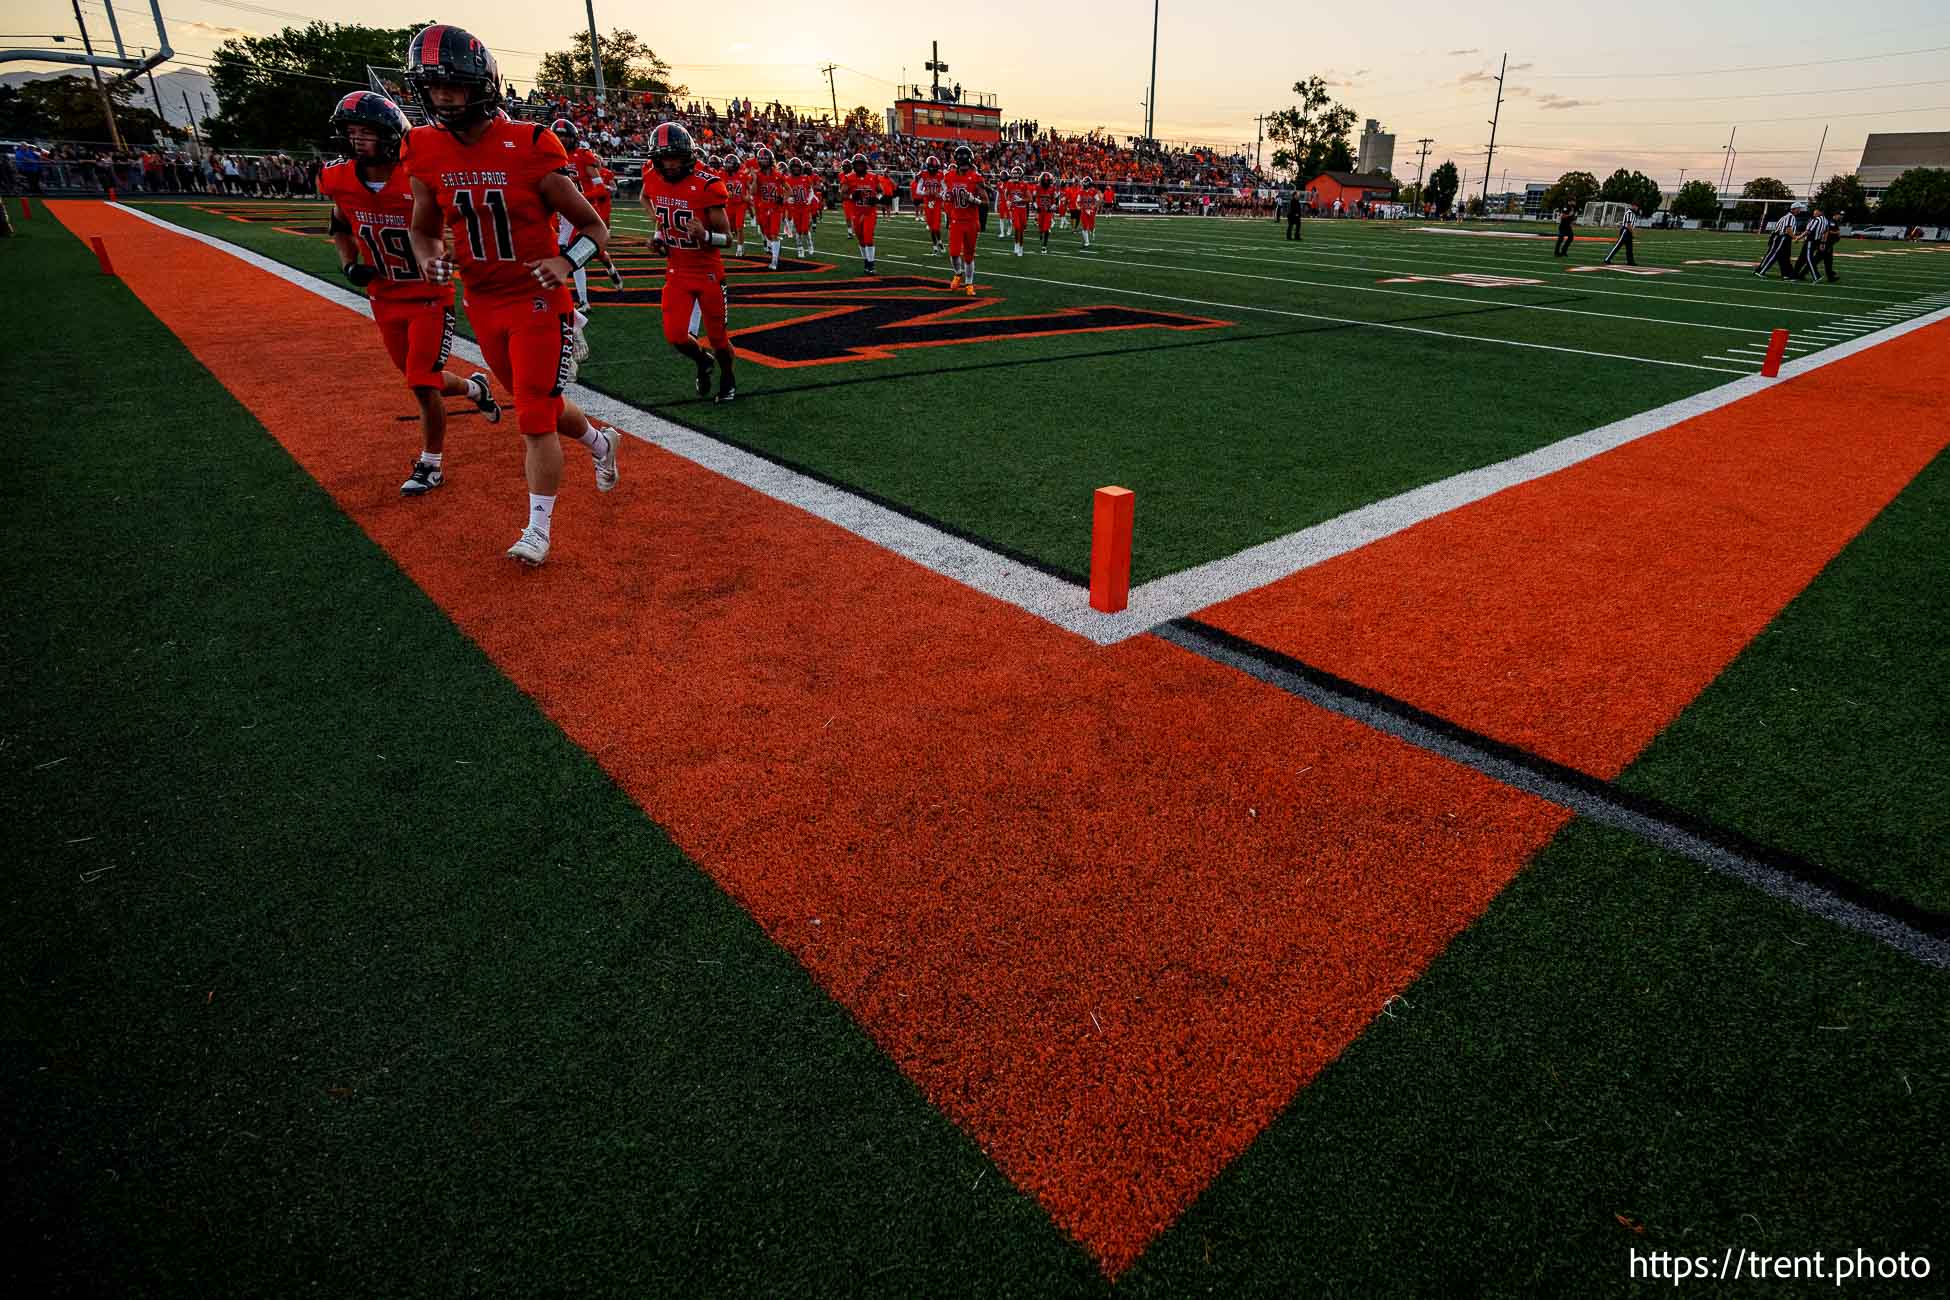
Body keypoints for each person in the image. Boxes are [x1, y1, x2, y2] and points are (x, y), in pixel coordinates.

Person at [403, 22, 621, 567]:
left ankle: (537, 530)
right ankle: (599, 442)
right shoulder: (423, 147)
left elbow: (595, 227)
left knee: (532, 418)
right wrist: (431, 258)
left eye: (452, 84)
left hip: (538, 300)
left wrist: (565, 260)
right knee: (538, 404)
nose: (441, 96)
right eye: (432, 86)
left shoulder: (527, 145)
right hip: (482, 301)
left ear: (482, 83)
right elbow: (422, 227)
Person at [320, 89, 501, 497]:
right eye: (350, 132)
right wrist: (349, 264)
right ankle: (475, 388)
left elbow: (460, 230)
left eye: (365, 132)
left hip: (428, 295)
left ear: (387, 133)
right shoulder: (339, 178)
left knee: (421, 382)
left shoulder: (418, 174)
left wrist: (442, 256)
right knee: (426, 380)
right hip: (383, 298)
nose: (356, 140)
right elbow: (340, 226)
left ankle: (431, 464)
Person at [641, 122, 739, 403]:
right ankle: (702, 360)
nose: (670, 165)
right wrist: (658, 233)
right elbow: (645, 198)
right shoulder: (652, 178)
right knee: (675, 335)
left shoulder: (708, 185)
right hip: (677, 271)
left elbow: (728, 240)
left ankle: (728, 376)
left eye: (675, 157)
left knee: (719, 340)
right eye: (664, 158)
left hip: (708, 272)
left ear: (688, 156)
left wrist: (705, 234)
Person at [839, 153, 894, 274]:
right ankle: (866, 261)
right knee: (861, 239)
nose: (859, 167)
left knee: (868, 237)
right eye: (857, 165)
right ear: (854, 166)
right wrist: (852, 195)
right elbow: (842, 194)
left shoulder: (873, 177)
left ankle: (871, 264)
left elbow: (880, 191)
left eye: (861, 164)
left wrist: (876, 199)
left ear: (865, 165)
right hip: (856, 213)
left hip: (870, 212)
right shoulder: (848, 178)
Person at [943, 143, 985, 294]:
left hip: (971, 221)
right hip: (956, 220)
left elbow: (985, 201)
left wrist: (973, 199)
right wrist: (945, 196)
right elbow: (946, 193)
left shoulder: (976, 178)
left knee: (969, 255)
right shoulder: (949, 176)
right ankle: (958, 273)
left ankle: (969, 284)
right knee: (954, 253)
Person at [749, 147, 788, 269]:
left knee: (774, 234)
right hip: (763, 208)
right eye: (761, 159)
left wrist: (783, 198)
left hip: (776, 208)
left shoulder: (778, 175)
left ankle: (774, 261)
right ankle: (774, 248)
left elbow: (789, 190)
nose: (764, 161)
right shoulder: (757, 174)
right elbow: (753, 192)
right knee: (767, 234)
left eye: (766, 159)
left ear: (770, 160)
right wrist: (755, 180)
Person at [911, 155, 947, 255]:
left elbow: (946, 190)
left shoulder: (940, 175)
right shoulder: (924, 174)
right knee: (931, 226)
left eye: (935, 168)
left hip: (937, 202)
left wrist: (938, 194)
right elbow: (918, 190)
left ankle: (939, 241)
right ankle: (935, 245)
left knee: (936, 226)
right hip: (928, 202)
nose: (933, 171)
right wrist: (925, 193)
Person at [1755, 203, 1801, 279]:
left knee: (1784, 256)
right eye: (1799, 208)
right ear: (1794, 209)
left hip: (1782, 237)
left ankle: (1787, 274)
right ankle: (1760, 271)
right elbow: (1788, 229)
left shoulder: (1788, 216)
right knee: (1773, 254)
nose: (1800, 210)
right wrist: (1795, 237)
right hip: (1782, 237)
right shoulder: (1790, 217)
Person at [785, 156, 819, 258]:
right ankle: (800, 248)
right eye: (794, 167)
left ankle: (809, 244)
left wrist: (808, 200)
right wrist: (789, 199)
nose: (796, 169)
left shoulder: (806, 178)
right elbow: (785, 193)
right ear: (791, 168)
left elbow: (811, 191)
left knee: (805, 229)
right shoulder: (788, 179)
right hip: (795, 207)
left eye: (797, 167)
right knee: (798, 230)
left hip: (804, 207)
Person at [719, 151, 750, 257]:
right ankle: (739, 243)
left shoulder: (742, 175)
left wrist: (748, 196)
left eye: (730, 164)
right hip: (728, 205)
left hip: (740, 204)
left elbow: (750, 187)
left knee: (739, 227)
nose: (728, 167)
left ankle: (740, 248)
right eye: (727, 164)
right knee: (731, 228)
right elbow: (717, 188)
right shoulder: (721, 174)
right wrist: (725, 193)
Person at [1797, 207, 1832, 283]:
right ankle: (1795, 274)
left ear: (1820, 212)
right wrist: (1823, 243)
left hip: (1810, 241)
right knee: (1802, 258)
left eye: (1816, 211)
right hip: (1817, 241)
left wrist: (1798, 238)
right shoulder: (1825, 220)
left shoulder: (1816, 220)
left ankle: (1816, 276)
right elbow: (1826, 232)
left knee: (1809, 258)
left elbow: (1808, 231)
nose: (1814, 212)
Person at [1029, 171, 1060, 252]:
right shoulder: (1037, 187)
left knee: (1046, 228)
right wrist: (1036, 207)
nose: (1046, 182)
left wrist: (1051, 207)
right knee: (1041, 227)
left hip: (1048, 211)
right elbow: (1033, 198)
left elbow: (1056, 200)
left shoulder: (1052, 188)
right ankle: (1040, 233)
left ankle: (1044, 246)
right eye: (1045, 180)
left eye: (1047, 180)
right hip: (1040, 211)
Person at [1004, 165, 1030, 256]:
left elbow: (1029, 198)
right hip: (1015, 209)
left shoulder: (1024, 184)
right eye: (1013, 174)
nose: (1015, 176)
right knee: (1017, 228)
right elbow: (1006, 193)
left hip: (1022, 209)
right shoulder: (1009, 184)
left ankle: (1021, 247)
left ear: (1020, 175)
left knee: (1021, 230)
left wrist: (1021, 200)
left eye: (1016, 174)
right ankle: (1016, 245)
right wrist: (1007, 200)